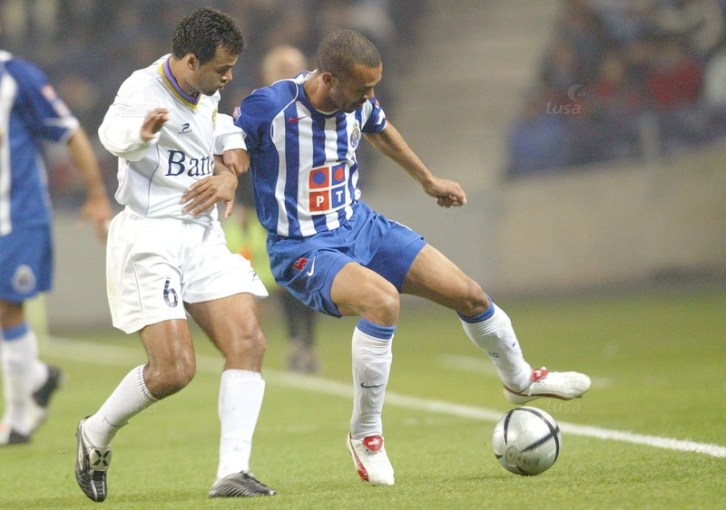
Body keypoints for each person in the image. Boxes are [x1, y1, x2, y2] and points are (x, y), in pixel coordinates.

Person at [230, 29, 591, 486]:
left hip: (361, 225)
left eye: (373, 87)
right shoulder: (270, 106)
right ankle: (365, 434)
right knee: (382, 302)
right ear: (329, 79)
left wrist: (427, 179)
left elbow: (380, 130)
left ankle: (519, 380)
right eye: (362, 88)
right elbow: (224, 138)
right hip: (302, 246)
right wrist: (226, 175)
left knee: (469, 294)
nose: (370, 96)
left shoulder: (357, 100)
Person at [74, 7, 274, 502]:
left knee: (248, 341)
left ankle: (233, 471)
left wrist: (229, 165)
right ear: (189, 61)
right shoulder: (141, 91)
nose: (228, 78)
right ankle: (95, 431)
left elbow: (216, 122)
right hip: (151, 238)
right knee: (174, 371)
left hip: (202, 235)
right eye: (221, 69)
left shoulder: (205, 89)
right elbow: (111, 132)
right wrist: (140, 134)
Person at [0, 25, 113, 446]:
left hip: (17, 216)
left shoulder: (17, 76)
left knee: (8, 309)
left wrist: (96, 194)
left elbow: (69, 130)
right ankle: (38, 377)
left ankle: (17, 420)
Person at [257, 44, 321, 373]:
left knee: (309, 275)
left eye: (291, 67)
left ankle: (305, 343)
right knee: (282, 279)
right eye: (279, 68)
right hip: (268, 210)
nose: (286, 75)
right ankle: (296, 341)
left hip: (309, 207)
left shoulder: (318, 110)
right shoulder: (255, 110)